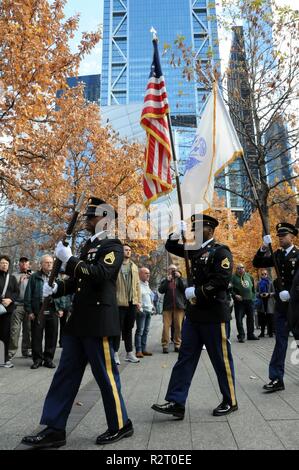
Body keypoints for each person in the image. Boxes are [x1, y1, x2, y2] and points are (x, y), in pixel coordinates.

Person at [21, 197, 133, 449]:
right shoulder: (87, 249)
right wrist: (57, 287)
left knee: (106, 377)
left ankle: (120, 424)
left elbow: (100, 276)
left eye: (91, 217)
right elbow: (77, 282)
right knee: (65, 375)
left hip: (99, 322)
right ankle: (54, 428)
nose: (86, 221)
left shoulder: (113, 246)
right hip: (78, 321)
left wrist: (71, 260)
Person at [152, 214, 238, 418]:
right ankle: (176, 401)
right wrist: (175, 233)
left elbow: (222, 279)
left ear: (210, 230)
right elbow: (171, 247)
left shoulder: (220, 251)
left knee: (220, 359)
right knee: (185, 358)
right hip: (194, 315)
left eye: (198, 228)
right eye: (193, 228)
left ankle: (230, 400)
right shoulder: (195, 250)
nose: (195, 232)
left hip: (214, 314)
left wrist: (198, 291)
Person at [253, 222, 299, 392]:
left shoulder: (298, 254)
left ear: (292, 236)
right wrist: (264, 247)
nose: (280, 239)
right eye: (278, 236)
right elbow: (257, 262)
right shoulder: (277, 254)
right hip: (281, 307)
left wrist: (292, 293)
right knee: (280, 342)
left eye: (284, 235)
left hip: (296, 306)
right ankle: (276, 378)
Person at [24, 255, 58, 369]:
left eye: (51, 262)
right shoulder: (34, 277)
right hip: (39, 309)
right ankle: (37, 359)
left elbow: (62, 294)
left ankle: (48, 359)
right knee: (37, 335)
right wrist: (29, 311)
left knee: (52, 335)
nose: (49, 264)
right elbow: (28, 294)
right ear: (41, 264)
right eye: (46, 262)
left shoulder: (56, 276)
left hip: (52, 308)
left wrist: (61, 308)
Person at [113, 244, 141, 365]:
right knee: (117, 329)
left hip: (132, 302)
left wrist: (138, 300)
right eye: (126, 250)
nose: (128, 252)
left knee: (129, 328)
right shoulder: (115, 265)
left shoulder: (134, 266)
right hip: (119, 302)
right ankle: (114, 353)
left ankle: (129, 353)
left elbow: (137, 285)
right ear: (121, 251)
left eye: (130, 250)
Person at [158, 265, 186, 353]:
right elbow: (161, 290)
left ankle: (177, 344)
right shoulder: (165, 280)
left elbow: (185, 289)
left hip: (179, 307)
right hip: (167, 307)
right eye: (171, 269)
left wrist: (180, 278)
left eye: (174, 269)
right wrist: (167, 280)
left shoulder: (180, 279)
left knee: (178, 326)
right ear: (168, 270)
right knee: (166, 327)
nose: (173, 271)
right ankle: (165, 345)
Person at [9, 257, 32, 359]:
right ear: (19, 264)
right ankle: (11, 351)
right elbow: (10, 290)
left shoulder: (33, 275)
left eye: (25, 262)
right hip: (17, 305)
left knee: (28, 330)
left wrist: (31, 278)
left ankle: (26, 350)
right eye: (21, 262)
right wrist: (19, 282)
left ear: (29, 264)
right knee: (15, 329)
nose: (23, 264)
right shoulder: (14, 276)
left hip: (29, 306)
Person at [232, 264, 259, 342]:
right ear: (236, 269)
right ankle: (241, 335)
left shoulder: (249, 276)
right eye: (238, 268)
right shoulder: (233, 278)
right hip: (239, 302)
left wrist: (253, 296)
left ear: (244, 268)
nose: (240, 269)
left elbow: (253, 287)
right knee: (239, 319)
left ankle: (250, 334)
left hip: (250, 301)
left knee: (251, 318)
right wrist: (235, 295)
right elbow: (229, 289)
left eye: (242, 267)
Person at [0, 256, 19, 368]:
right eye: (2, 263)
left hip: (7, 311)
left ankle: (4, 359)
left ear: (9, 265)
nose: (4, 265)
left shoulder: (11, 278)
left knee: (5, 334)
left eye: (6, 263)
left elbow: (17, 292)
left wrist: (10, 299)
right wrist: (2, 300)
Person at [134, 267, 154, 358]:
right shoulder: (137, 284)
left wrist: (152, 306)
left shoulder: (146, 284)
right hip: (142, 311)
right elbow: (135, 296)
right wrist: (139, 307)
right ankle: (138, 351)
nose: (148, 275)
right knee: (140, 331)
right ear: (140, 274)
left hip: (148, 310)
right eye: (146, 273)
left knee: (146, 331)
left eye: (148, 273)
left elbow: (149, 296)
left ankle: (143, 349)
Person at [256, 270, 275, 338]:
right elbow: (256, 292)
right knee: (262, 318)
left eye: (265, 274)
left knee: (270, 318)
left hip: (269, 302)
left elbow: (274, 292)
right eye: (262, 274)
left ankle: (270, 332)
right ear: (261, 275)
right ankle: (262, 332)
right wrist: (260, 295)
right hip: (261, 302)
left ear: (267, 275)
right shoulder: (259, 283)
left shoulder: (270, 282)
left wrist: (269, 294)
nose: (264, 275)